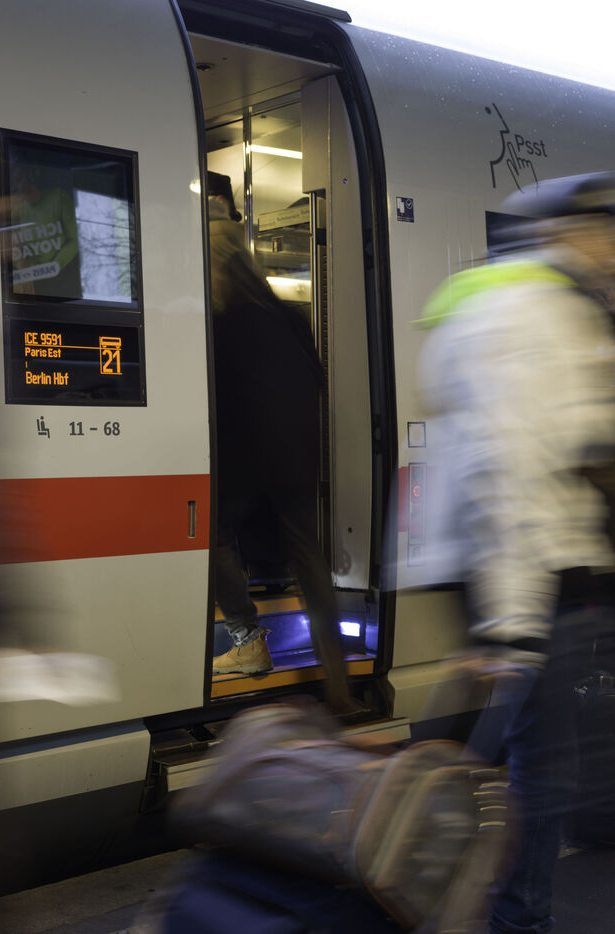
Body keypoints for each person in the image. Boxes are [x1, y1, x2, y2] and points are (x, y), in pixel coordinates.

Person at [418, 172, 615, 933]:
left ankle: (498, 911)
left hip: (542, 569)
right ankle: (511, 918)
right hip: (532, 575)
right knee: (548, 765)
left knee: (544, 757)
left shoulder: (542, 307)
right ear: (566, 233)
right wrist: (512, 623)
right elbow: (509, 469)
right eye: (608, 231)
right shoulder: (535, 316)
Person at [205, 171, 351, 711]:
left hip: (244, 458)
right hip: (295, 456)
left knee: (211, 539)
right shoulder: (288, 316)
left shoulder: (218, 321)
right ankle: (337, 675)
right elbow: (316, 380)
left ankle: (248, 640)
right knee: (309, 558)